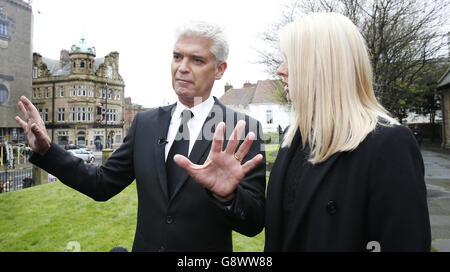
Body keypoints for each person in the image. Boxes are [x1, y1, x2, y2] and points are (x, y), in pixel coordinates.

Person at [15, 21, 266, 252]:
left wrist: (228, 196)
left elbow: (253, 224)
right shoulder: (145, 124)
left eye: (197, 60)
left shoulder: (240, 129)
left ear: (219, 69)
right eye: (177, 57)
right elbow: (102, 183)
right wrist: (47, 151)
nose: (182, 68)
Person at [263, 13, 431, 251]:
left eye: (290, 59)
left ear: (321, 65)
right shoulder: (294, 139)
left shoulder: (388, 144)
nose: (280, 70)